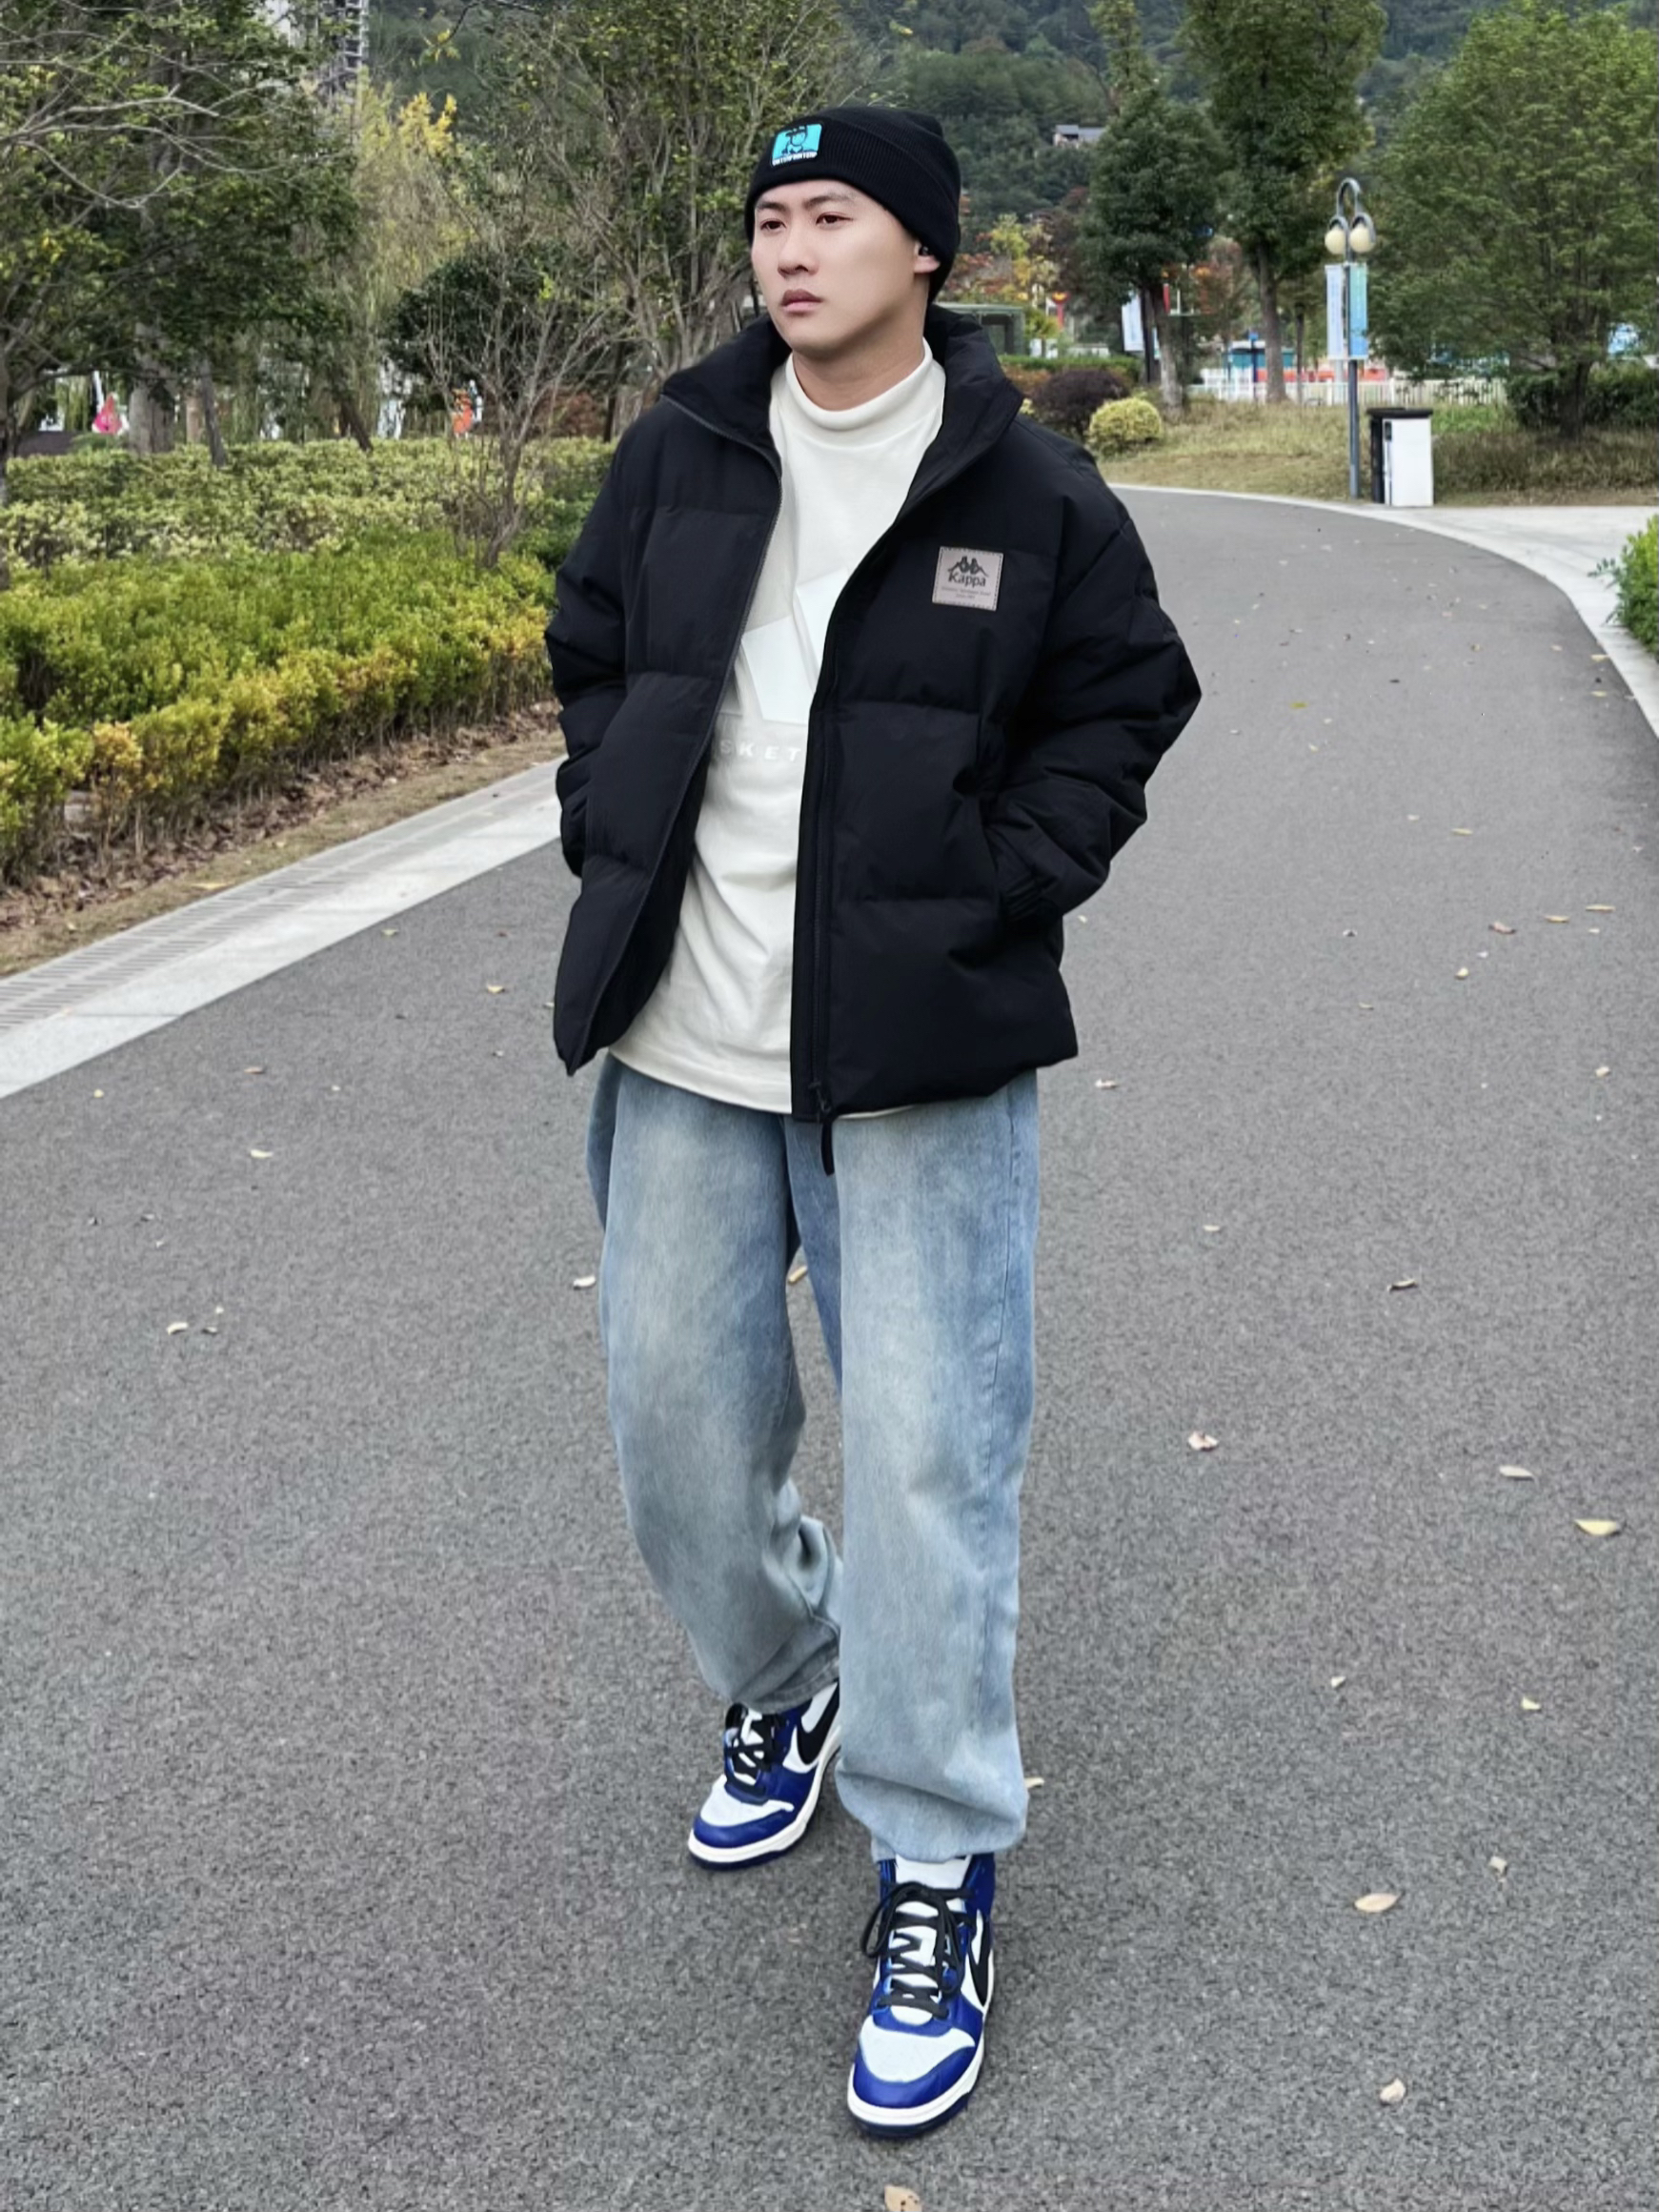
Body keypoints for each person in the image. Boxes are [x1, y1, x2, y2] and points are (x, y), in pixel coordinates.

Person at [546, 104, 1202, 2137]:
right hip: (684, 1037)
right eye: (768, 216)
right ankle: (791, 1682)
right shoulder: (681, 446)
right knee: (672, 1432)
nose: (789, 247)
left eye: (830, 215)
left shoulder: (1027, 483)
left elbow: (1128, 698)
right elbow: (589, 650)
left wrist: (1004, 880)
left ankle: (935, 1856)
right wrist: (608, 819)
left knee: (928, 1462)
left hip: (917, 1056)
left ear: (923, 248)